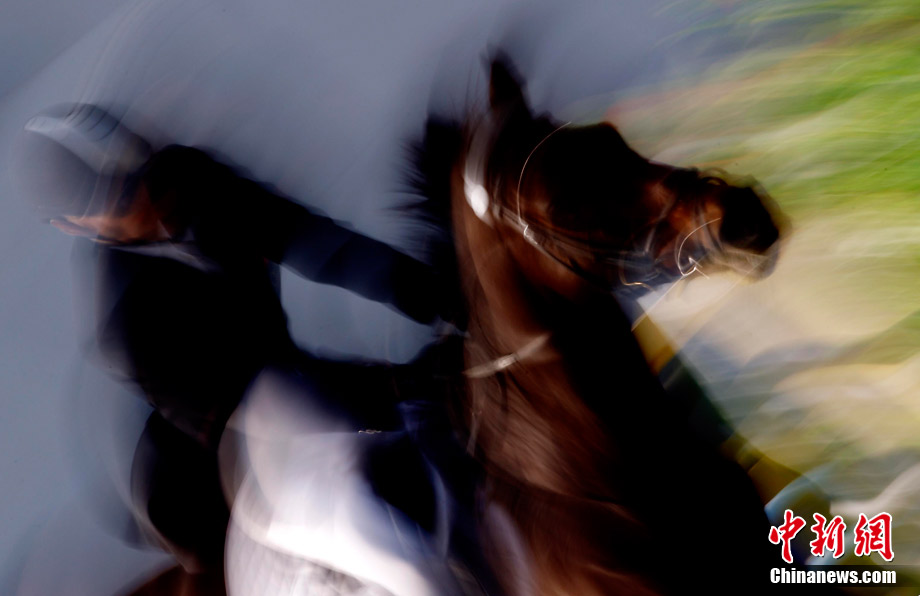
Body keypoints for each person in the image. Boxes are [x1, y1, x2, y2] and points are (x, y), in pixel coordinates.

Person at [19, 104, 458, 594]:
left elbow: (314, 241)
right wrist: (379, 383)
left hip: (295, 381)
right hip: (231, 450)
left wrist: (433, 295)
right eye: (121, 197)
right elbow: (253, 402)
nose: (147, 196)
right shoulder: (123, 317)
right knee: (386, 540)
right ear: (73, 225)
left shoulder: (194, 179)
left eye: (142, 173)